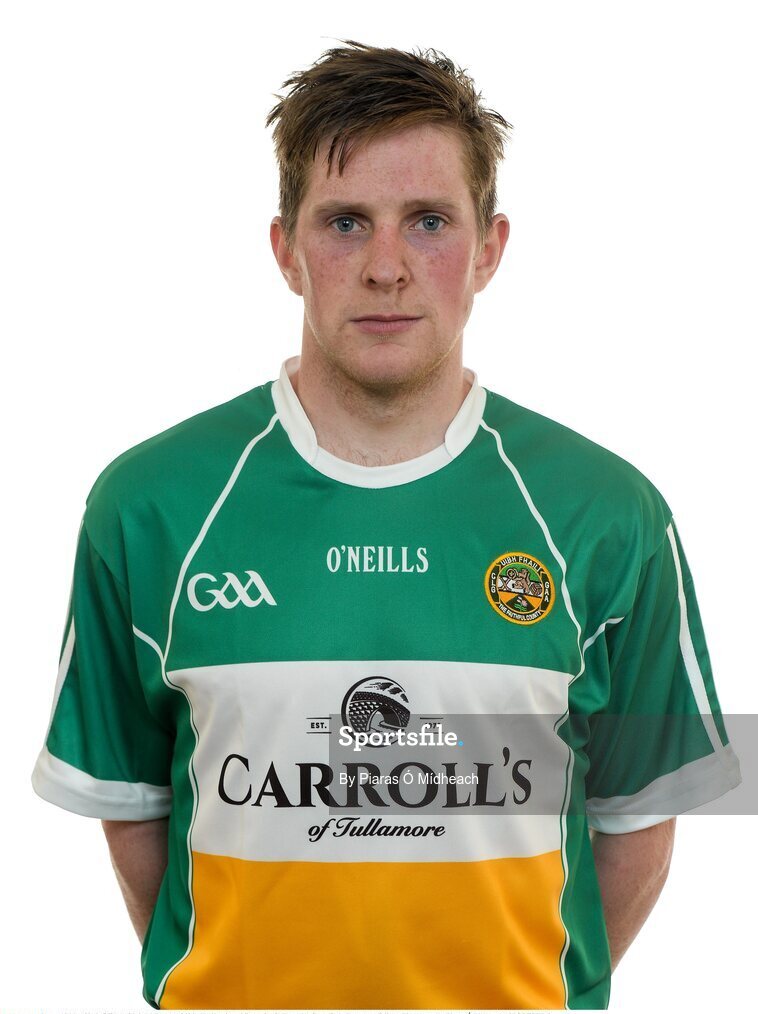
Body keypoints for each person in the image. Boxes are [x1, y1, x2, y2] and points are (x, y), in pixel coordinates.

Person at [31, 39, 742, 1010]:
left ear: (488, 248)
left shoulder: (606, 516)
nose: (385, 267)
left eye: (427, 222)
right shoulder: (152, 505)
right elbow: (132, 810)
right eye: (344, 222)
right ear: (284, 248)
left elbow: (636, 826)